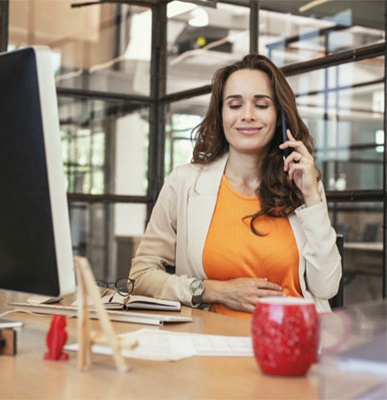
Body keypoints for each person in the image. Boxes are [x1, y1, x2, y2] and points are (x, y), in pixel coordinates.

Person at [129, 53, 342, 319]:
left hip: (293, 342)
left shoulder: (302, 186)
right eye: (235, 105)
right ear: (221, 113)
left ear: (280, 116)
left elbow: (327, 287)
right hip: (211, 345)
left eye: (262, 105)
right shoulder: (185, 183)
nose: (248, 115)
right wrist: (212, 291)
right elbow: (140, 276)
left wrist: (311, 196)